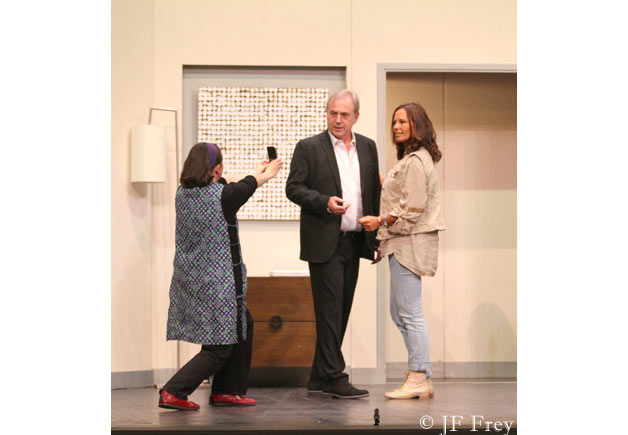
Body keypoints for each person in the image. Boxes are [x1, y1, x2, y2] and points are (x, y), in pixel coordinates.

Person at [158, 142, 282, 410]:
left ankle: (227, 390)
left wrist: (255, 171)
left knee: (243, 322)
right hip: (218, 283)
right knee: (219, 346)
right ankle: (174, 390)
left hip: (192, 279)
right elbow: (247, 185)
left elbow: (234, 182)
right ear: (216, 169)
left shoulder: (183, 194)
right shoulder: (223, 197)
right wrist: (268, 173)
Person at [286, 90, 381, 399]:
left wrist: (377, 238)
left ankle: (319, 375)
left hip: (355, 241)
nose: (338, 120)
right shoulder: (309, 147)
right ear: (327, 113)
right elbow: (293, 188)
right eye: (333, 113)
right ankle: (334, 376)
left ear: (356, 117)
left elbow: (373, 194)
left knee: (341, 310)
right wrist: (324, 202)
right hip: (324, 242)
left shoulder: (368, 147)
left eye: (344, 115)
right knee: (329, 313)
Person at [358, 102, 445, 400]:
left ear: (417, 125)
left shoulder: (416, 161)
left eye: (403, 122)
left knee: (409, 312)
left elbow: (413, 208)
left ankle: (418, 375)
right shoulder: (409, 159)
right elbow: (404, 199)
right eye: (394, 122)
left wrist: (379, 221)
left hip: (410, 245)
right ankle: (422, 376)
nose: (396, 127)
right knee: (400, 312)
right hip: (400, 243)